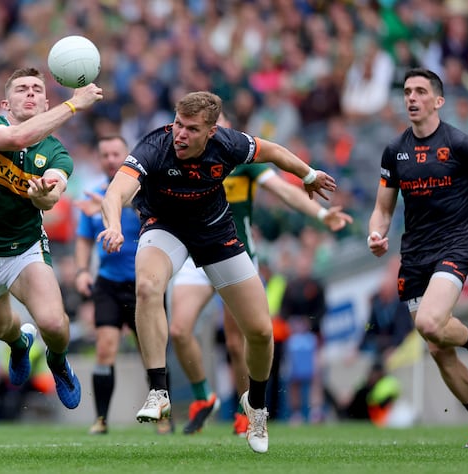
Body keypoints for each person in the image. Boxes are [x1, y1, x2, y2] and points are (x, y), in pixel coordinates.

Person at [98, 91, 337, 453]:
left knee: (259, 332)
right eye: (178, 123)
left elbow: (272, 150)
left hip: (215, 232)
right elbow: (115, 192)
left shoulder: (229, 144)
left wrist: (307, 173)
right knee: (147, 288)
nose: (180, 134)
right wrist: (114, 225)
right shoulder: (154, 146)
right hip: (165, 228)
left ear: (211, 131)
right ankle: (158, 390)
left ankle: (256, 406)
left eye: (191, 129)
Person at [168, 113, 352, 434]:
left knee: (239, 345)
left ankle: (246, 410)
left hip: (235, 256)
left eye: (220, 126)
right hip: (195, 254)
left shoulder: (242, 160)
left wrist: (322, 215)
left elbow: (284, 190)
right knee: (180, 330)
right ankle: (203, 397)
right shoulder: (182, 158)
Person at [0, 67, 103, 412]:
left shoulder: (57, 153)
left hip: (25, 249)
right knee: (0, 329)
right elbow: (16, 139)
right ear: (7, 102)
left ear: (45, 102)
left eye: (37, 89)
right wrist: (72, 106)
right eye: (22, 89)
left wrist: (42, 195)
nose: (31, 93)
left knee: (53, 323)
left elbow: (52, 197)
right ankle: (19, 343)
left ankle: (58, 361)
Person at [367, 67, 468, 448]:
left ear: (438, 101)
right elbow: (383, 209)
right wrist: (376, 232)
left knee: (431, 321)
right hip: (415, 254)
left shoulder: (461, 144)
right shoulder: (395, 150)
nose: (411, 98)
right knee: (436, 348)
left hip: (456, 245)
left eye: (420, 91)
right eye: (407, 91)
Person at [74, 135, 172, 435]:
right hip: (109, 283)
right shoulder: (93, 196)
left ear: (126, 155)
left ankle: (163, 417)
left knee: (151, 351)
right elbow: (84, 238)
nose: (110, 159)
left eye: (116, 153)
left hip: (145, 285)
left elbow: (156, 218)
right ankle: (101, 419)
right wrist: (81, 270)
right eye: (105, 154)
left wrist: (116, 204)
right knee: (104, 349)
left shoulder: (145, 189)